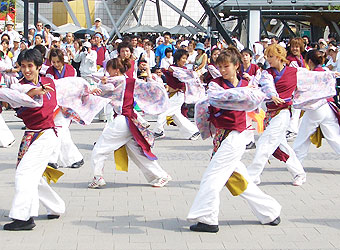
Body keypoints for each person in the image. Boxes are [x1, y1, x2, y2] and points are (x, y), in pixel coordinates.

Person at [187, 48, 281, 233]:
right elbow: (216, 99)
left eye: (226, 66)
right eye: (220, 66)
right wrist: (244, 94)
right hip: (222, 136)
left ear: (236, 66)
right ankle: (269, 212)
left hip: (237, 136)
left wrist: (244, 94)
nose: (223, 70)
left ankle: (207, 218)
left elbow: (255, 98)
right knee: (238, 178)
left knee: (213, 177)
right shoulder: (216, 85)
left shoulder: (247, 83)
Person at [3, 48, 65, 231]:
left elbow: (53, 100)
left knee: (24, 173)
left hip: (47, 135)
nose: (27, 70)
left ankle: (24, 217)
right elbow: (20, 94)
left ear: (39, 66)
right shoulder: (18, 86)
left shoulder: (50, 83)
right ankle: (56, 207)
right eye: (23, 66)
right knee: (33, 176)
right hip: (31, 134)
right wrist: (33, 92)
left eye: (30, 66)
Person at [88, 58, 171, 188]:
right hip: (129, 120)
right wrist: (149, 73)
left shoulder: (113, 81)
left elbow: (102, 90)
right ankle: (161, 175)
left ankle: (98, 177)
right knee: (137, 152)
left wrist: (100, 85)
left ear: (116, 70)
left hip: (121, 121)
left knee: (100, 149)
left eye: (109, 70)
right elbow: (152, 86)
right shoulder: (132, 81)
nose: (107, 73)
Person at [247, 44, 306, 186]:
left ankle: (252, 176)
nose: (268, 59)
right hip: (270, 114)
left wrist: (329, 75)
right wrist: (272, 95)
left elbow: (311, 78)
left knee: (264, 143)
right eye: (267, 56)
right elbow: (266, 85)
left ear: (280, 57)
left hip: (283, 113)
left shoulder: (295, 71)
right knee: (282, 146)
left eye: (271, 56)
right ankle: (299, 173)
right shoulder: (267, 73)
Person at [293, 49, 340, 162]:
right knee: (334, 137)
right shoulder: (326, 72)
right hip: (328, 107)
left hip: (315, 108)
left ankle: (296, 163)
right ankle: (296, 163)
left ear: (309, 61)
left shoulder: (309, 74)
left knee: (303, 137)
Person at [153, 49, 200, 140]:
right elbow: (174, 73)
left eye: (185, 58)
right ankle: (193, 131)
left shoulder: (184, 70)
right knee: (176, 116)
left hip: (178, 95)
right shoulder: (173, 68)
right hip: (173, 94)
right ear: (178, 58)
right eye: (183, 58)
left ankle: (158, 131)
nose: (184, 60)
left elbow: (185, 79)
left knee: (164, 112)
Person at [286, 37, 306, 140]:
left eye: (297, 46)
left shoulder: (301, 58)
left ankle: (295, 129)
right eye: (293, 46)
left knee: (298, 109)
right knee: (294, 109)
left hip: (299, 87)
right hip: (293, 87)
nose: (294, 49)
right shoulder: (290, 60)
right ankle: (292, 129)